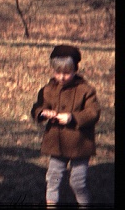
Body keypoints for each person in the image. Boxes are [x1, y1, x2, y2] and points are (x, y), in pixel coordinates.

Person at [31, 44, 100, 206]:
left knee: (78, 182)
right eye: (57, 72)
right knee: (53, 178)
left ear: (75, 70)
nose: (61, 77)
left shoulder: (86, 90)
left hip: (80, 145)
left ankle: (84, 204)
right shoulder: (48, 89)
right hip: (57, 144)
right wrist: (42, 113)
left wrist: (72, 118)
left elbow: (93, 113)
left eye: (67, 73)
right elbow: (38, 106)